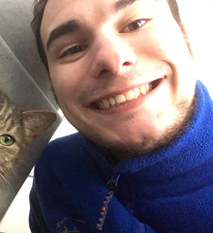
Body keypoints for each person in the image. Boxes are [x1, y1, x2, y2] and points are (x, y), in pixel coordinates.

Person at [28, 0, 213, 232]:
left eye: (136, 24)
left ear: (185, 39)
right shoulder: (54, 168)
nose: (111, 59)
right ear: (53, 86)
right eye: (72, 49)